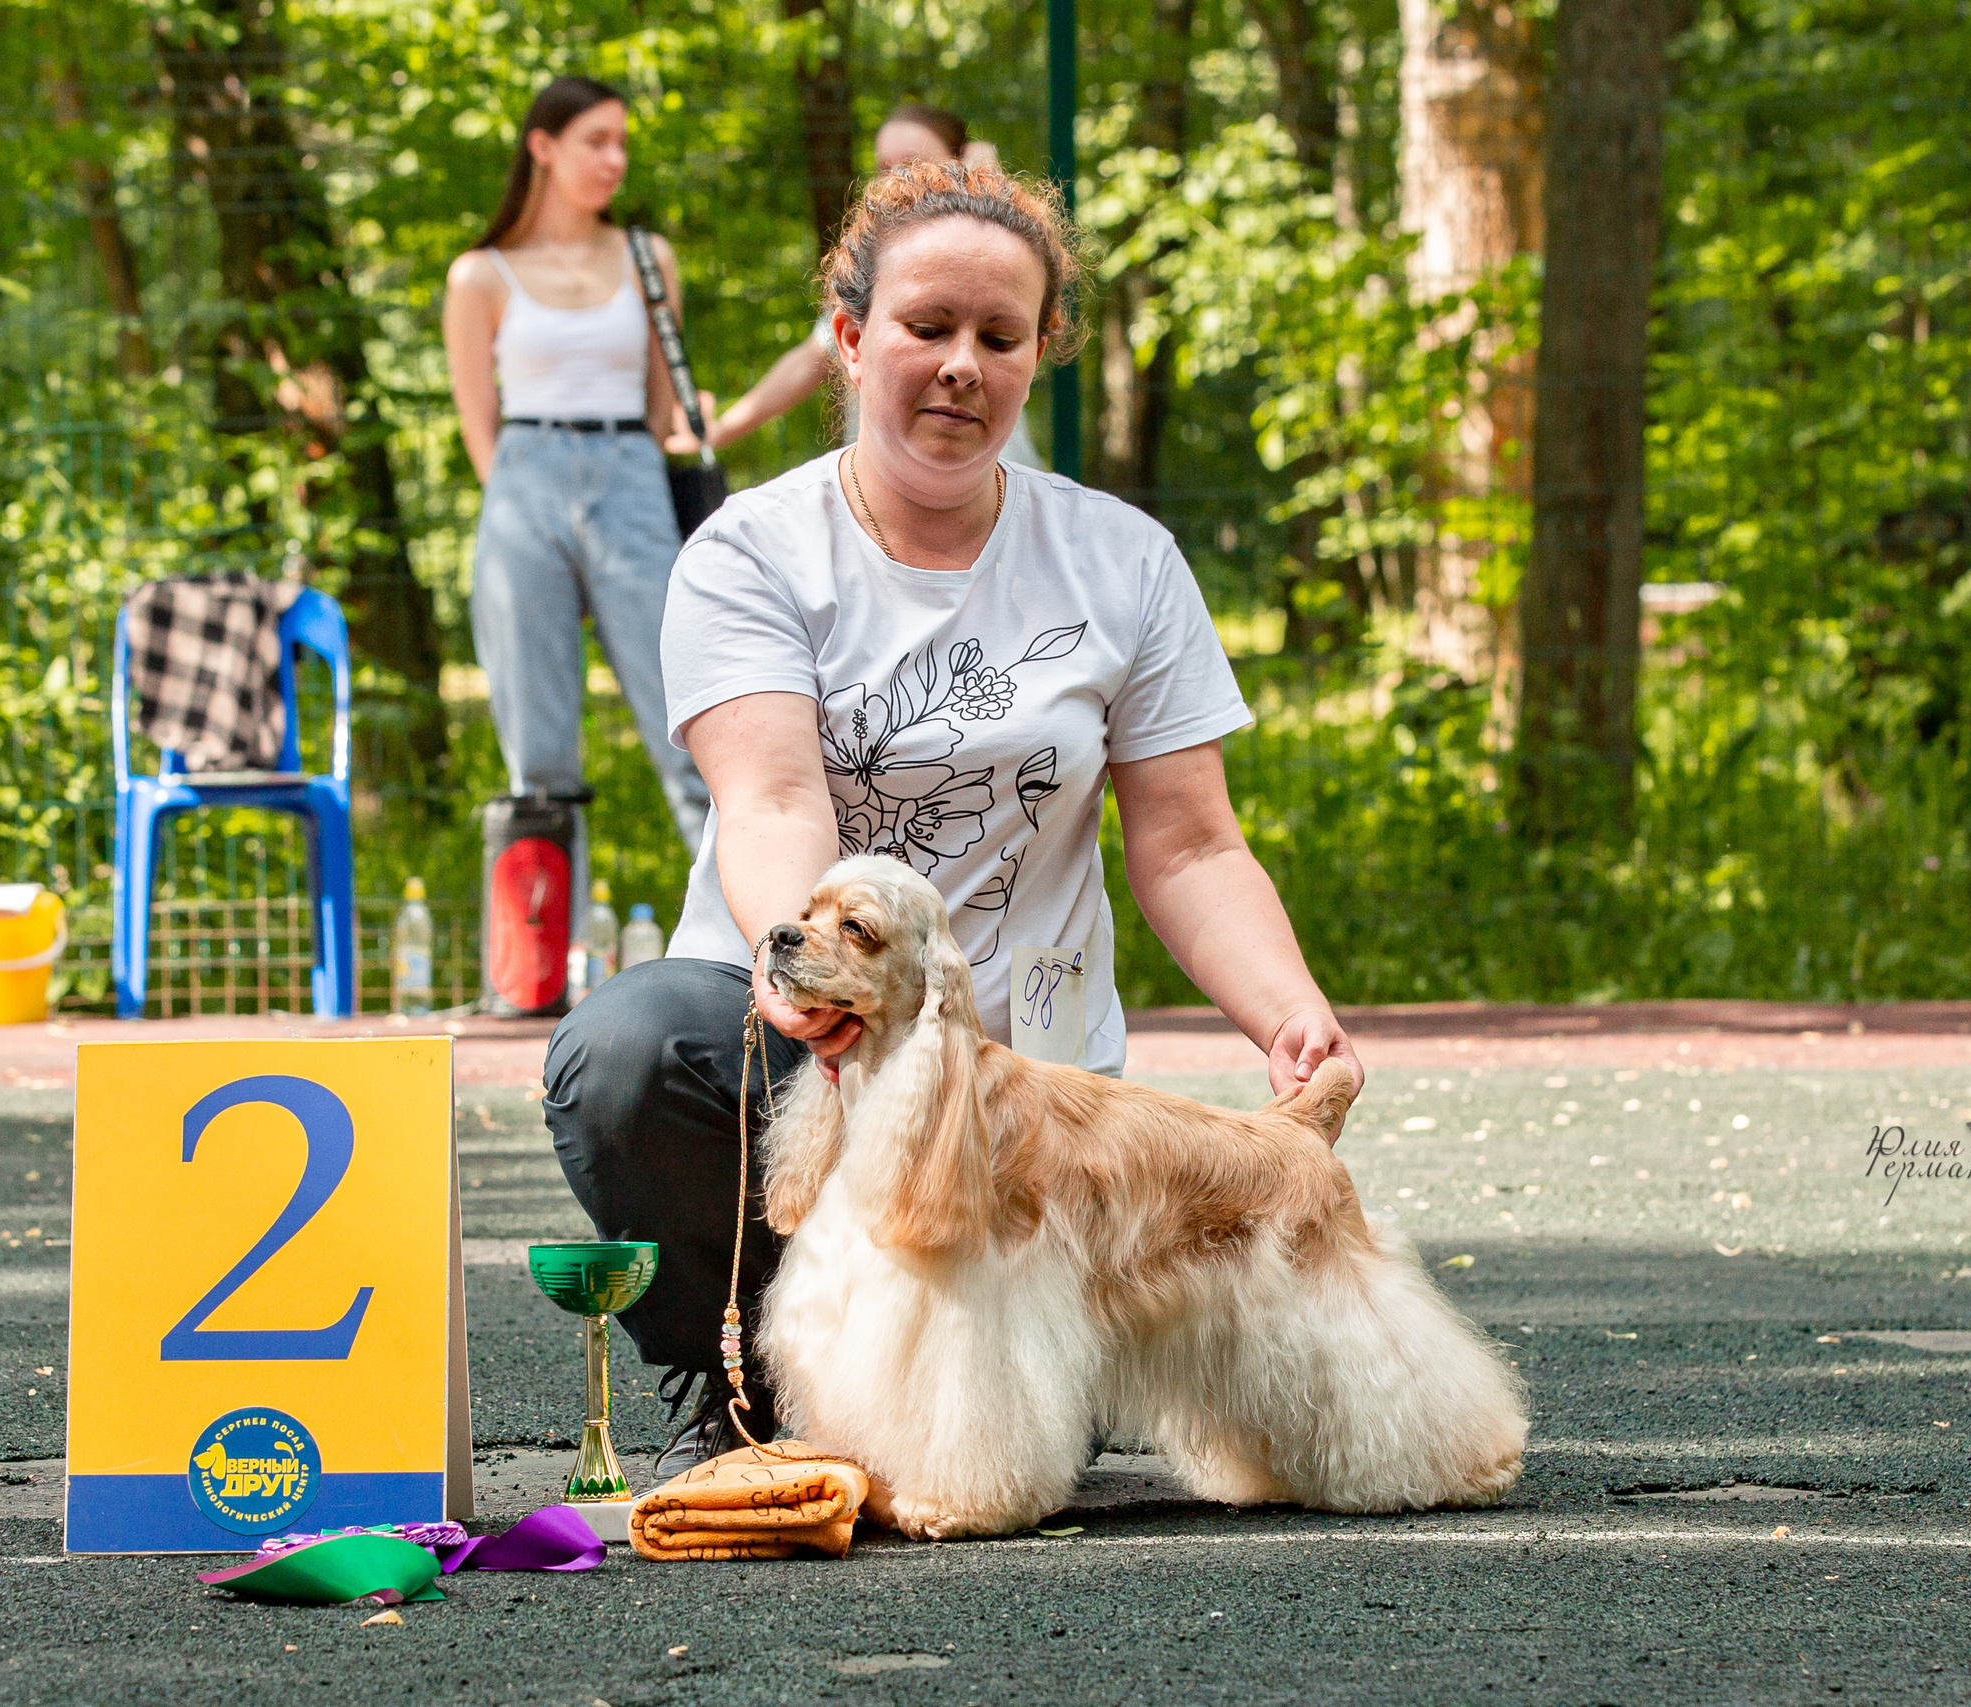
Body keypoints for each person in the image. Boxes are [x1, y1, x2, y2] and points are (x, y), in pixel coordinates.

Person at [543, 158, 1364, 1470]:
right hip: (793, 1020)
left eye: (1000, 335)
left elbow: (1191, 840)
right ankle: (750, 1380)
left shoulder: (1125, 559)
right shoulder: (751, 551)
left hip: (1028, 1075)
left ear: (1041, 353)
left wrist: (1288, 1012)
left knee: (1053, 1332)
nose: (960, 366)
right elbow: (769, 798)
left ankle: (1039, 1368)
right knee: (626, 1054)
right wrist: (817, 982)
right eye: (927, 328)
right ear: (853, 337)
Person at [442, 76, 711, 847]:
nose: (615, 158)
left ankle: (740, 940)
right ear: (543, 147)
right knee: (538, 754)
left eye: (622, 142)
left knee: (688, 721)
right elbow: (478, 426)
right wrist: (524, 501)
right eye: (597, 140)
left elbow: (663, 409)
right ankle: (538, 962)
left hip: (631, 473)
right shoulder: (479, 274)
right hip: (523, 481)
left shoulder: (648, 258)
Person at [704, 103, 1042, 468]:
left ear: (960, 167)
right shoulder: (876, 268)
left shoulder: (1004, 260)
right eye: (884, 168)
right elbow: (812, 359)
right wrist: (719, 430)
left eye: (913, 165)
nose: (894, 181)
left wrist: (986, 182)